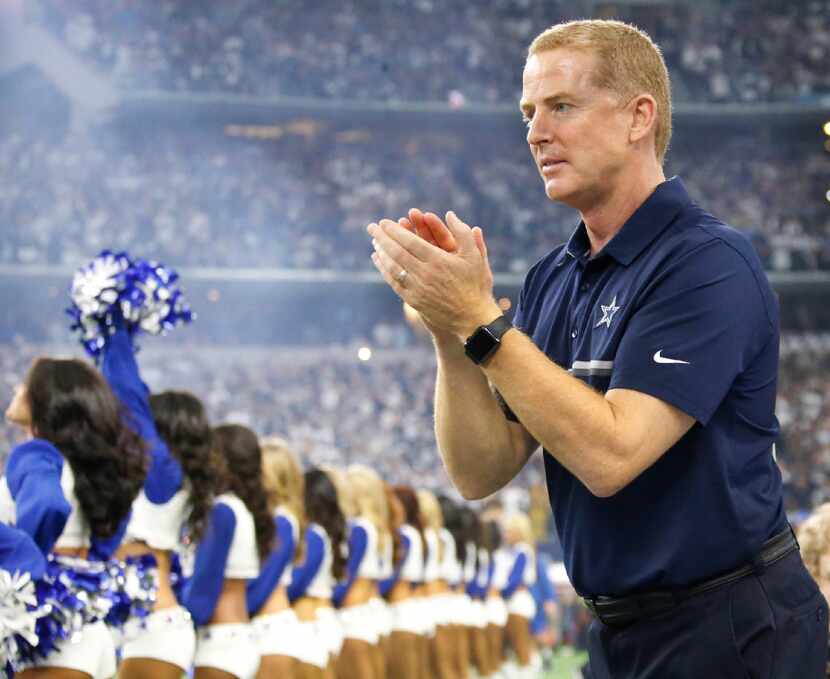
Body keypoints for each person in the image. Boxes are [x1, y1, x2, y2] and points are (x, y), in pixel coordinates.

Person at [366, 18, 827, 678]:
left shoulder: (708, 261)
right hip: (617, 635)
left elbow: (614, 453)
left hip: (733, 630)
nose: (534, 132)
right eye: (528, 112)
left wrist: (479, 320)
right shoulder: (553, 276)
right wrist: (450, 332)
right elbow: (481, 470)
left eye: (561, 106)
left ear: (640, 116)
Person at [3, 357, 146, 679]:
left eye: (26, 383)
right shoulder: (81, 466)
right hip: (91, 633)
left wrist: (22, 575)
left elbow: (48, 506)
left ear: (46, 399)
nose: (17, 388)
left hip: (48, 634)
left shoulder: (36, 454)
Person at [101, 320, 212, 679]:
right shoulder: (163, 479)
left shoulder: (164, 474)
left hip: (153, 631)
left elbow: (127, 397)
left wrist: (114, 328)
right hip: (142, 626)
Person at [183, 424, 272, 679]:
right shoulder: (243, 510)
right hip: (241, 638)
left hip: (219, 645)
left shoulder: (223, 510)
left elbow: (202, 597)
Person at [246, 437, 305, 679]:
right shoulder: (279, 519)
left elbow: (264, 581)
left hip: (271, 629)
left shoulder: (281, 520)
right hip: (267, 626)